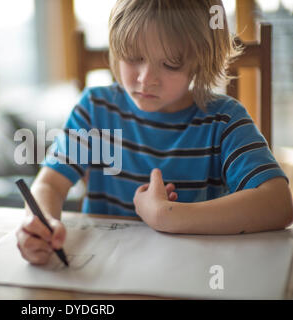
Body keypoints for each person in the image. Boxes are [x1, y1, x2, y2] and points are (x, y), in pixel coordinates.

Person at [16, 0, 293, 265]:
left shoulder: (223, 120)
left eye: (171, 63)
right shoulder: (95, 110)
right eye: (133, 57)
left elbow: (278, 204)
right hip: (103, 275)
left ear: (201, 60)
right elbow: (50, 184)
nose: (146, 79)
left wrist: (167, 215)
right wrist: (39, 224)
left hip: (195, 275)